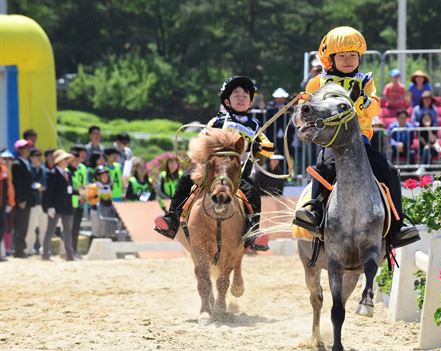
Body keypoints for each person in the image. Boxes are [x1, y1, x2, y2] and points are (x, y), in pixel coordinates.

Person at [293, 26, 419, 248]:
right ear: (331, 58)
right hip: (332, 141)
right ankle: (313, 213)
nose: (349, 59)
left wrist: (361, 100)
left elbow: (374, 110)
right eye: (342, 55)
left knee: (389, 172)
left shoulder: (366, 82)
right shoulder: (317, 83)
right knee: (321, 169)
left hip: (360, 140)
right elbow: (304, 112)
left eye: (353, 55)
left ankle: (398, 227)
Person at [154, 76, 274, 252]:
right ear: (227, 100)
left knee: (253, 192)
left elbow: (270, 149)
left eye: (245, 95)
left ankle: (252, 232)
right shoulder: (217, 121)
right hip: (212, 171)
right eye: (236, 95)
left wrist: (257, 145)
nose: (241, 98)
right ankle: (172, 218)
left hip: (238, 174)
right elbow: (203, 138)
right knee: (186, 179)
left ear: (250, 101)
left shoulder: (256, 125)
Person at [41, 150, 75, 261]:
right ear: (59, 161)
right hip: (56, 206)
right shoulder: (52, 173)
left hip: (67, 206)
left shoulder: (68, 173)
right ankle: (46, 253)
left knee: (68, 231)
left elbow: (69, 189)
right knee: (50, 230)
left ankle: (69, 254)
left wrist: (78, 192)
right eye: (64, 159)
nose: (66, 161)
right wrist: (50, 206)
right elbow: (49, 191)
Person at [11, 139, 34, 258]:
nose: (27, 150)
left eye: (28, 148)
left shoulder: (27, 163)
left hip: (28, 199)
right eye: (25, 148)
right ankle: (18, 250)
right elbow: (17, 183)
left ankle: (21, 249)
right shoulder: (17, 164)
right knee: (20, 225)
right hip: (22, 200)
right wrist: (20, 199)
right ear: (19, 150)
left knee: (24, 225)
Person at [25, 148, 47, 256]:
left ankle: (44, 248)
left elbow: (47, 183)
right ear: (31, 158)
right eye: (36, 156)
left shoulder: (44, 170)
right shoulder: (28, 169)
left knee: (44, 227)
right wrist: (34, 186)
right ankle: (29, 248)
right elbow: (27, 184)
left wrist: (44, 187)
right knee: (31, 227)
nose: (39, 158)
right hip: (33, 203)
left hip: (43, 203)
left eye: (40, 155)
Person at [87, 166, 117, 239]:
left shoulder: (108, 186)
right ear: (98, 177)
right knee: (97, 234)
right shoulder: (94, 186)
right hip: (97, 212)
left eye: (106, 175)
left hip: (107, 211)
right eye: (102, 175)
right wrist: (98, 193)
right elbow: (91, 200)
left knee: (108, 234)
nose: (105, 176)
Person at [69, 148, 87, 258]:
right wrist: (79, 193)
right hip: (71, 202)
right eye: (74, 160)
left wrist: (84, 195)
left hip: (80, 201)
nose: (77, 162)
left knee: (76, 227)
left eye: (77, 160)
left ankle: (74, 249)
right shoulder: (67, 171)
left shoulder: (81, 168)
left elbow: (83, 184)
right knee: (70, 228)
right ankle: (69, 249)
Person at [0, 152, 15, 261]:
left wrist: (10, 202)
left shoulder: (4, 169)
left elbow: (9, 188)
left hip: (2, 204)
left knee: (3, 228)